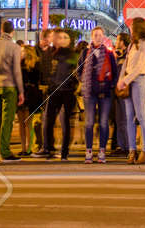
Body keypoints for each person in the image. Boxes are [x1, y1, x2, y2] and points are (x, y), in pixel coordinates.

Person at [0, 21, 25, 163]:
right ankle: (5, 150)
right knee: (7, 121)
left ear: (1, 30)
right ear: (12, 31)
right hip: (9, 86)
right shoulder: (14, 47)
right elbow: (16, 70)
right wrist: (21, 91)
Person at [118, 17, 145, 163]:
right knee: (129, 117)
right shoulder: (132, 44)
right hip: (127, 82)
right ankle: (132, 150)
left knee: (141, 116)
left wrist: (125, 80)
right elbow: (126, 64)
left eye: (132, 26)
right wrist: (121, 80)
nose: (130, 28)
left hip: (139, 80)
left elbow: (140, 67)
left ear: (138, 27)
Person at [80, 26, 117, 163]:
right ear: (91, 37)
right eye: (95, 35)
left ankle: (102, 150)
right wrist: (84, 82)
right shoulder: (85, 53)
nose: (98, 37)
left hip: (105, 93)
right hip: (89, 93)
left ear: (104, 37)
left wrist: (110, 85)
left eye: (100, 35)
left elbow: (114, 73)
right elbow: (79, 70)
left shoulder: (108, 54)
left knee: (103, 123)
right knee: (89, 123)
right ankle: (88, 151)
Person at [42, 30, 79, 160]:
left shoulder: (72, 55)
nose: (61, 40)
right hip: (54, 91)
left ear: (68, 41)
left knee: (65, 123)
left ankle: (64, 151)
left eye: (65, 38)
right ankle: (49, 148)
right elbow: (47, 71)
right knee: (48, 121)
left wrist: (73, 85)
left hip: (67, 92)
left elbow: (76, 72)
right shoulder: (50, 53)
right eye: (60, 37)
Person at [16, 43, 42, 158]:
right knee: (21, 123)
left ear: (27, 52)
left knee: (28, 122)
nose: (20, 53)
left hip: (30, 95)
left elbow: (37, 81)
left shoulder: (35, 65)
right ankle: (23, 148)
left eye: (22, 51)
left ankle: (29, 147)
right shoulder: (18, 64)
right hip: (21, 93)